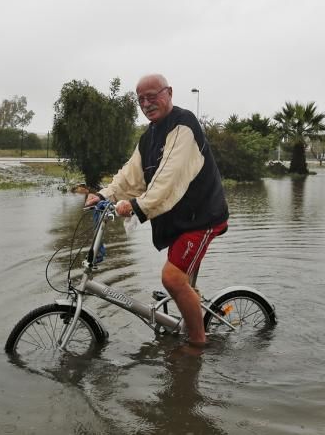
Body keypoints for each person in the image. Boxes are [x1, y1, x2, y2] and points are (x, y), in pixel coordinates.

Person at [85, 74, 228, 347]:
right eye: (141, 99)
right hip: (179, 221)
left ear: (170, 92)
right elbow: (131, 176)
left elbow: (168, 180)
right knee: (180, 281)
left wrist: (136, 206)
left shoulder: (184, 124)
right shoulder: (148, 137)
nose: (147, 103)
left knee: (172, 279)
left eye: (153, 96)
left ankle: (198, 344)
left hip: (202, 218)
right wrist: (103, 195)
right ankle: (191, 317)